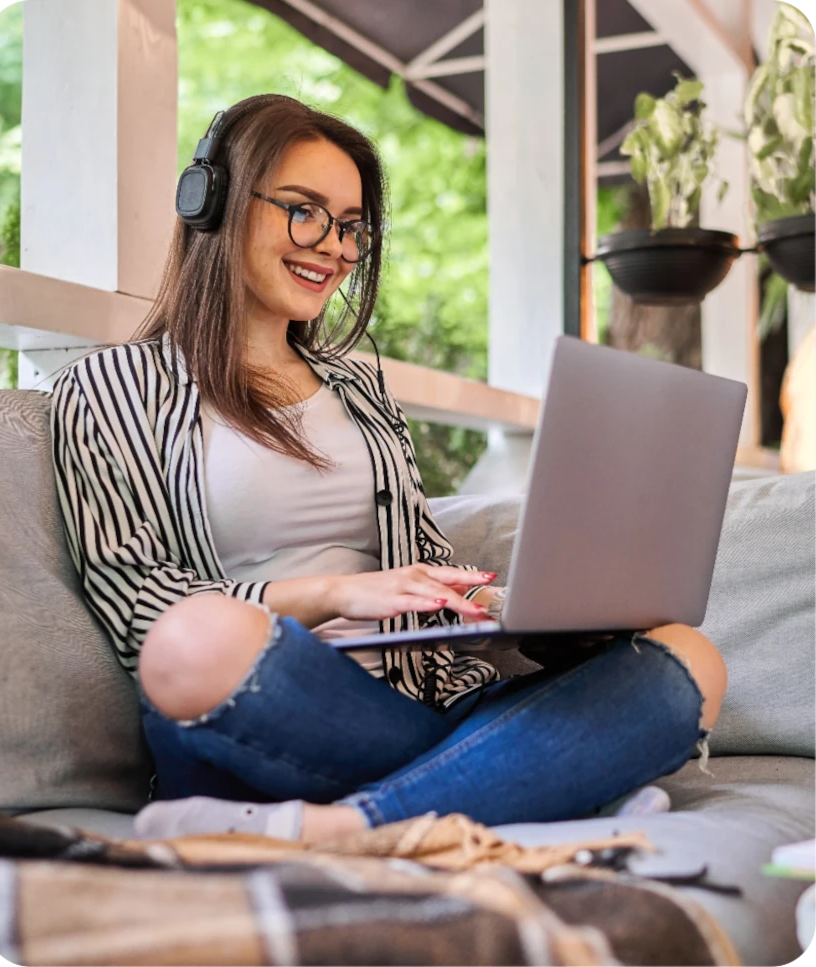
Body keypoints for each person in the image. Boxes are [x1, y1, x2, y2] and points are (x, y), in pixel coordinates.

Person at [51, 94, 726, 844]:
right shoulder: (109, 387)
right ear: (212, 203)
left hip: (414, 705)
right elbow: (139, 607)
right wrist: (336, 591)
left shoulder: (358, 388)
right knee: (194, 639)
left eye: (351, 227)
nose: (335, 248)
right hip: (267, 701)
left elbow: (421, 570)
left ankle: (347, 826)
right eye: (305, 210)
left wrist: (515, 614)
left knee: (688, 660)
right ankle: (542, 783)